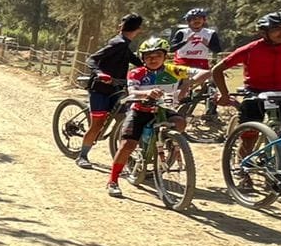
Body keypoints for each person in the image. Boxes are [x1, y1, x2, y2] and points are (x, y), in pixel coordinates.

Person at [105, 37, 198, 198]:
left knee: (180, 122)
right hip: (140, 110)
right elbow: (132, 91)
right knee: (128, 144)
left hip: (164, 109)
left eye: (157, 55)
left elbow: (205, 73)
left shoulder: (174, 70)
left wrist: (186, 86)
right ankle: (113, 180)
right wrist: (146, 93)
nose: (153, 59)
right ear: (142, 58)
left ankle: (169, 141)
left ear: (164, 56)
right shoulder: (136, 72)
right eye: (148, 56)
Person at [207, 10, 281, 133]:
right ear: (263, 32)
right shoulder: (250, 49)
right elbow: (217, 70)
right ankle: (246, 152)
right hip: (254, 93)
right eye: (277, 29)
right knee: (249, 136)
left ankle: (280, 151)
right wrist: (225, 94)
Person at [75, 13, 146, 169]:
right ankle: (82, 156)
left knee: (125, 121)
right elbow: (92, 59)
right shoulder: (118, 43)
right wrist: (100, 74)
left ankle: (124, 157)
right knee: (97, 124)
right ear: (139, 29)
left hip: (117, 89)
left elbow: (139, 63)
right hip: (100, 89)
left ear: (121, 26)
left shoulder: (125, 45)